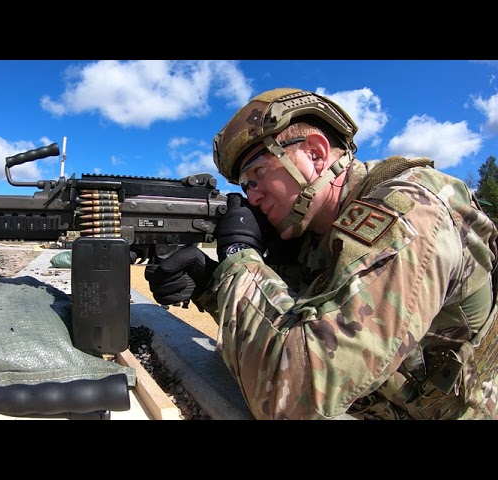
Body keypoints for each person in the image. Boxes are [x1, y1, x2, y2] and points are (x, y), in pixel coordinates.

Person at [145, 88, 498, 420]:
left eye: (257, 174)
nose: (251, 197)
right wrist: (212, 283)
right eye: (244, 185)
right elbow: (299, 323)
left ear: (314, 153)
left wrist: (240, 257)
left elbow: (292, 391)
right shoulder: (315, 231)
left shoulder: (410, 208)